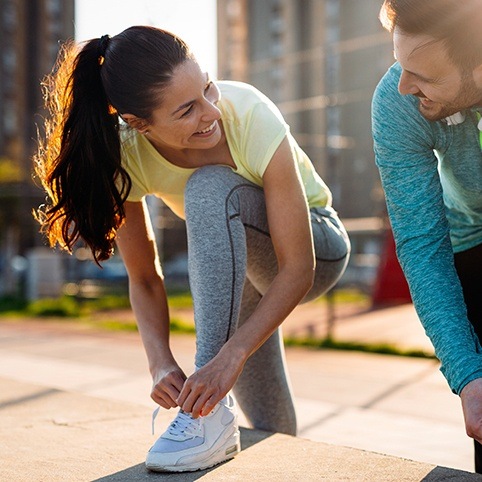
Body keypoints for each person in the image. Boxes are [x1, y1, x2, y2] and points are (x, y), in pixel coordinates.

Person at [34, 26, 350, 473]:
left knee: (208, 188)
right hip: (239, 265)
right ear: (138, 124)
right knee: (268, 421)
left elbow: (299, 268)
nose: (211, 113)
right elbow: (144, 277)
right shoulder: (127, 156)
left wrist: (228, 356)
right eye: (187, 110)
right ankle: (235, 436)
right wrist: (159, 363)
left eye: (206, 87)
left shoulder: (249, 113)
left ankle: (200, 417)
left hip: (318, 249)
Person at [372, 0, 482, 473]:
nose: (403, 85)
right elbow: (421, 243)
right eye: (401, 63)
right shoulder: (397, 102)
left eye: (424, 75)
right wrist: (469, 374)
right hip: (472, 241)